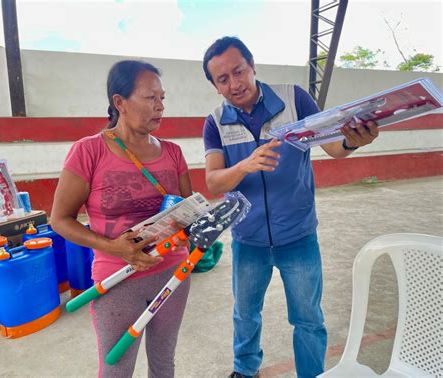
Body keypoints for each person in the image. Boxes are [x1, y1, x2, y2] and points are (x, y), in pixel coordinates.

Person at [201, 36, 379, 378]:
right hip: (248, 239)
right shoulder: (215, 121)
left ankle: (311, 374)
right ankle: (244, 370)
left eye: (239, 71)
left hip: (298, 235)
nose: (234, 83)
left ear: (252, 66)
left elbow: (334, 148)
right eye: (222, 79)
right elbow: (213, 181)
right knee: (245, 313)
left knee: (308, 318)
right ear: (215, 86)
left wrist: (352, 140)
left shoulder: (294, 98)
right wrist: (245, 165)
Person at [50, 60, 193, 378]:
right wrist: (114, 247)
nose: (160, 107)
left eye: (162, 98)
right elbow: (60, 219)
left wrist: (201, 225)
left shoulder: (173, 153)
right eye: (150, 98)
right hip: (117, 281)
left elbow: (187, 210)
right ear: (119, 102)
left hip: (173, 274)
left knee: (163, 363)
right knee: (116, 369)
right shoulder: (88, 152)